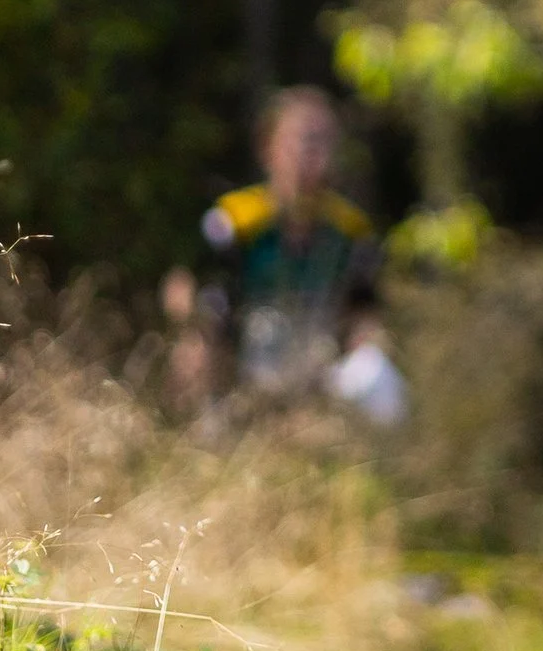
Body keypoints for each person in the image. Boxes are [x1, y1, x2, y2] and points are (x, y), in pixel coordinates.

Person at [161, 85, 402, 421]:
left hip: (318, 375)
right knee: (194, 351)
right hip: (241, 372)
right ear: (267, 147)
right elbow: (187, 292)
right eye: (303, 140)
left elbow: (365, 315)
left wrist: (365, 351)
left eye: (324, 141)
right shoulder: (232, 222)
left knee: (378, 373)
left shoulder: (349, 231)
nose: (313, 154)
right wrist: (194, 337)